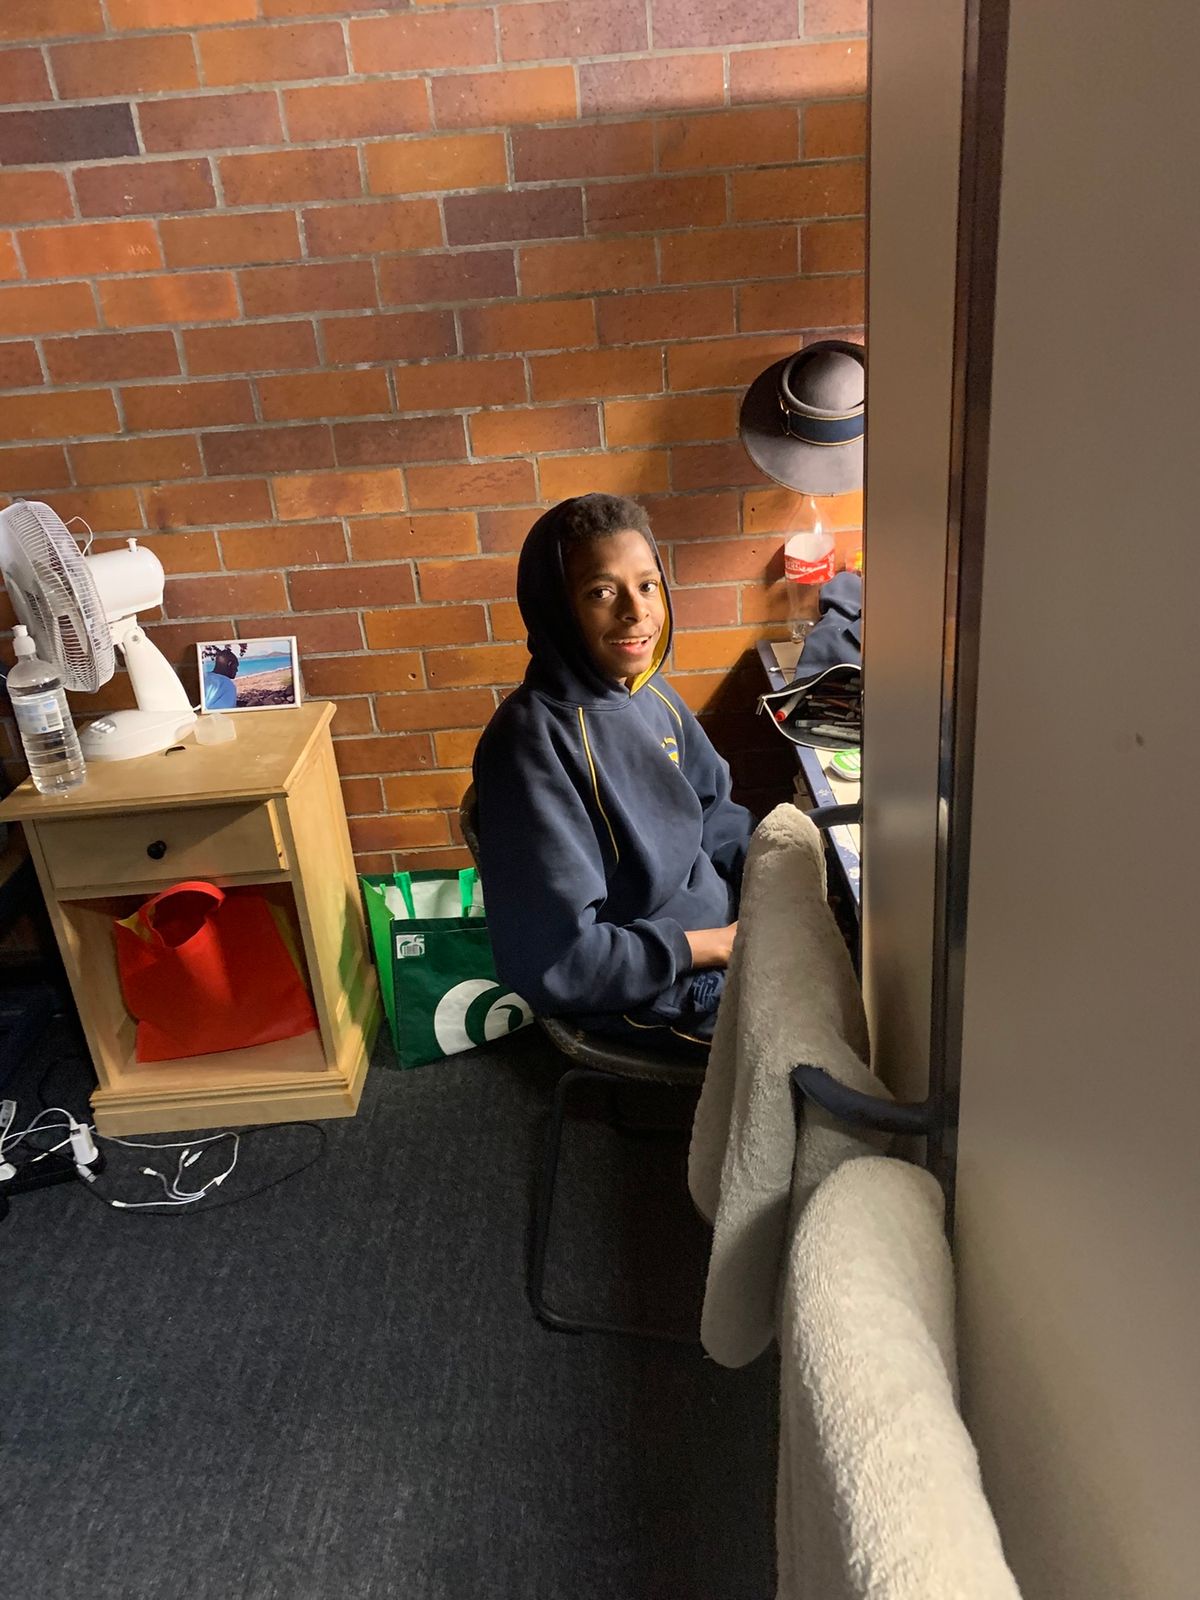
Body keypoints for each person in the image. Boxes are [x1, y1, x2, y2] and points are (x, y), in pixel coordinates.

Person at [473, 493, 756, 1051]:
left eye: (647, 585)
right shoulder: (528, 744)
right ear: (556, 607)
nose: (636, 611)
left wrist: (772, 887)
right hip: (653, 986)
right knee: (834, 1043)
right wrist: (713, 946)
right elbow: (556, 960)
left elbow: (716, 814)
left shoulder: (648, 692)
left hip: (722, 933)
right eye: (602, 592)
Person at [204, 646, 239, 711]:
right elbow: (227, 711)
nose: (237, 670)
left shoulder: (204, 677)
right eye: (236, 666)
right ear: (230, 664)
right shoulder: (227, 684)